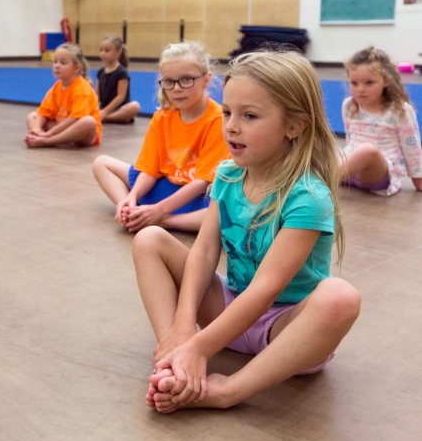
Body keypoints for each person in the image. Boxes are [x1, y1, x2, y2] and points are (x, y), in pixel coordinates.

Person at [134, 50, 360, 413]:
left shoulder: (307, 197)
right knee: (149, 240)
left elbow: (267, 289)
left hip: (284, 332)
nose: (231, 126)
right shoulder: (227, 176)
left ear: (294, 126)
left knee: (339, 297)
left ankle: (227, 391)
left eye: (249, 116)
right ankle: (173, 354)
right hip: (229, 311)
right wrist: (183, 327)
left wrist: (202, 347)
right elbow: (205, 254)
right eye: (227, 112)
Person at [92, 42, 229, 232]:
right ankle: (130, 209)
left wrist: (160, 211)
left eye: (186, 80)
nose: (176, 88)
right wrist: (131, 197)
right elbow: (149, 169)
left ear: (206, 80)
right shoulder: (163, 115)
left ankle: (163, 220)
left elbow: (203, 182)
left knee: (225, 212)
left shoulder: (218, 119)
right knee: (101, 163)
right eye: (169, 81)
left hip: (197, 196)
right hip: (164, 187)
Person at [340, 46, 422, 195]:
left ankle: (315, 184)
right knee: (318, 147)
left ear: (386, 80)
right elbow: (350, 139)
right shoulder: (349, 105)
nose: (360, 89)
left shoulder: (400, 110)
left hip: (378, 173)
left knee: (367, 151)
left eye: (369, 83)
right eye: (354, 83)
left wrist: (418, 178)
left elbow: (412, 146)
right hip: (350, 172)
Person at [25, 42, 101, 148]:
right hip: (62, 126)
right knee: (32, 116)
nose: (57, 66)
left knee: (89, 122)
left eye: (63, 63)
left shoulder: (82, 88)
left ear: (76, 68)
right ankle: (38, 135)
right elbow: (43, 111)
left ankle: (47, 141)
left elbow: (75, 119)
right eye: (55, 62)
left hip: (82, 133)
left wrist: (49, 134)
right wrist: (37, 128)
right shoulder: (57, 87)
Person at [97, 35, 141, 124]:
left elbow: (120, 97)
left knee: (135, 106)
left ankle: (106, 118)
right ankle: (104, 117)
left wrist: (105, 112)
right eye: (101, 50)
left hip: (120, 109)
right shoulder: (101, 72)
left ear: (118, 52)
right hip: (104, 108)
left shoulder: (121, 72)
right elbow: (96, 95)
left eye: (107, 50)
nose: (103, 53)